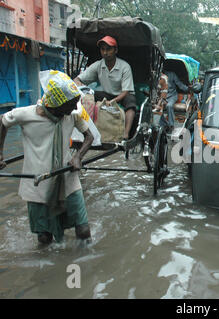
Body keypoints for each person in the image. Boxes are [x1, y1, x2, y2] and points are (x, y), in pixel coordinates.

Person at [0, 70, 94, 245]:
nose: (75, 107)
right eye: (71, 103)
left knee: (83, 230)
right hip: (38, 182)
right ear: (57, 103)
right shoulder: (26, 114)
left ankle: (85, 268)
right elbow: (2, 121)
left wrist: (78, 157)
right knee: (45, 239)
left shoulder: (72, 114)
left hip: (68, 178)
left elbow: (89, 137)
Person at [74, 36, 136, 140]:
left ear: (115, 50)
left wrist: (113, 101)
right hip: (107, 93)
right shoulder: (98, 65)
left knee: (131, 102)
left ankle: (126, 133)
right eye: (103, 49)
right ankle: (86, 129)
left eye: (108, 49)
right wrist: (79, 85)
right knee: (88, 96)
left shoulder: (124, 66)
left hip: (124, 94)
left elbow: (126, 91)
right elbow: (78, 79)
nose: (105, 52)